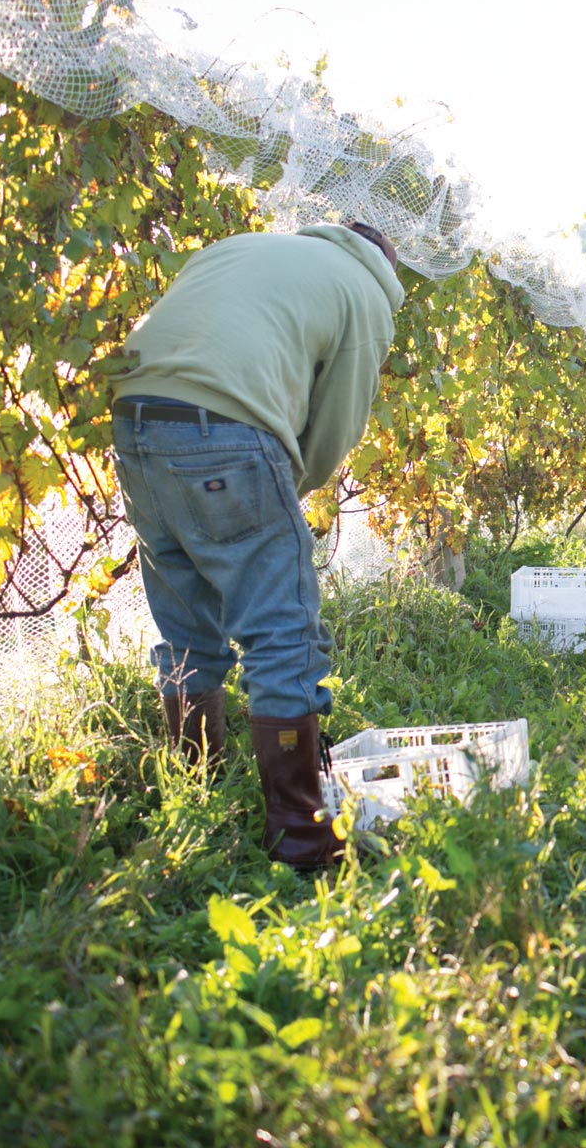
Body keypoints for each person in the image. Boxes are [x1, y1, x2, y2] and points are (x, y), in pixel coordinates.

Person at [109, 221, 405, 870]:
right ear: (386, 266)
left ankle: (195, 802)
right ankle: (302, 840)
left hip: (133, 419)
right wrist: (277, 494)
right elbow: (334, 426)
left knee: (186, 629)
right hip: (226, 427)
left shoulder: (249, 249)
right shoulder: (368, 293)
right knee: (283, 633)